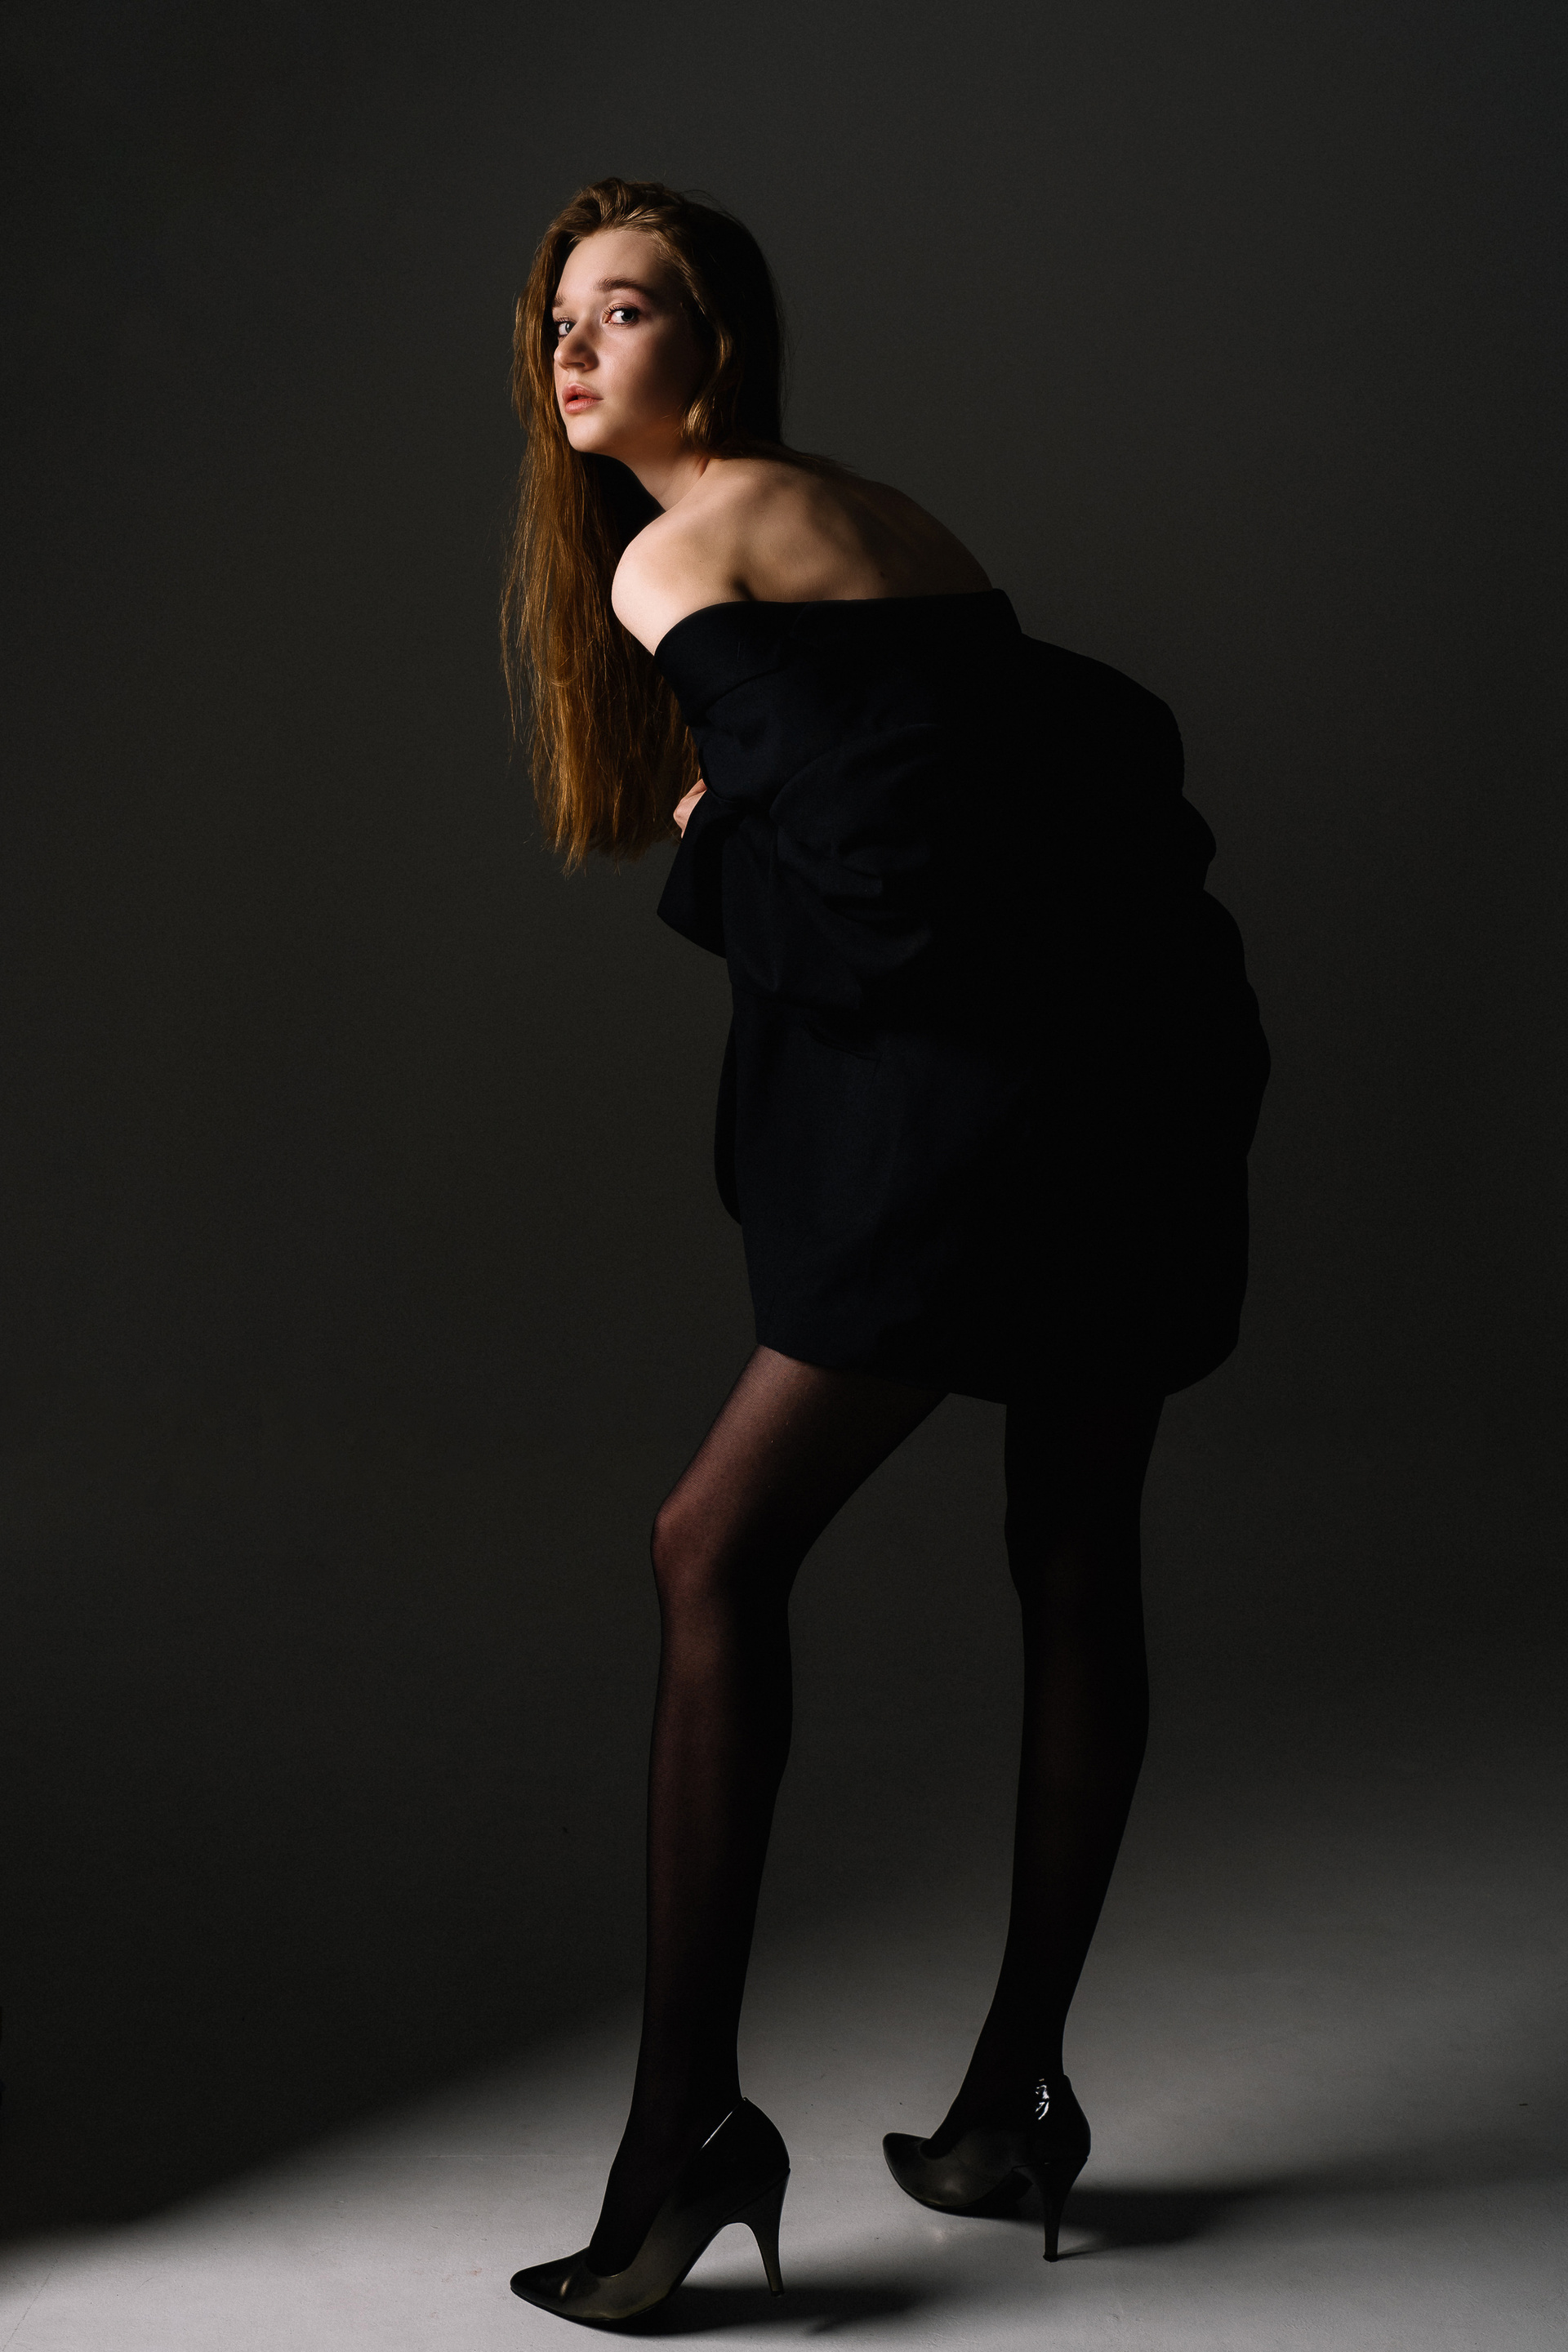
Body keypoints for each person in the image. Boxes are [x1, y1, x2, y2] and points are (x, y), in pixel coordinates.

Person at [501, 177, 1268, 2326]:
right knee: (1075, 1552)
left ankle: (683, 2143)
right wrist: (747, 809)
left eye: (624, 311)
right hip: (1137, 1052)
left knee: (710, 1549)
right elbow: (1046, 761)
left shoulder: (677, 548)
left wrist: (712, 835)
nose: (575, 352)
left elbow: (885, 884)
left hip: (992, 1106)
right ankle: (1016, 2099)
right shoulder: (870, 507)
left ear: (715, 341)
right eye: (558, 319)